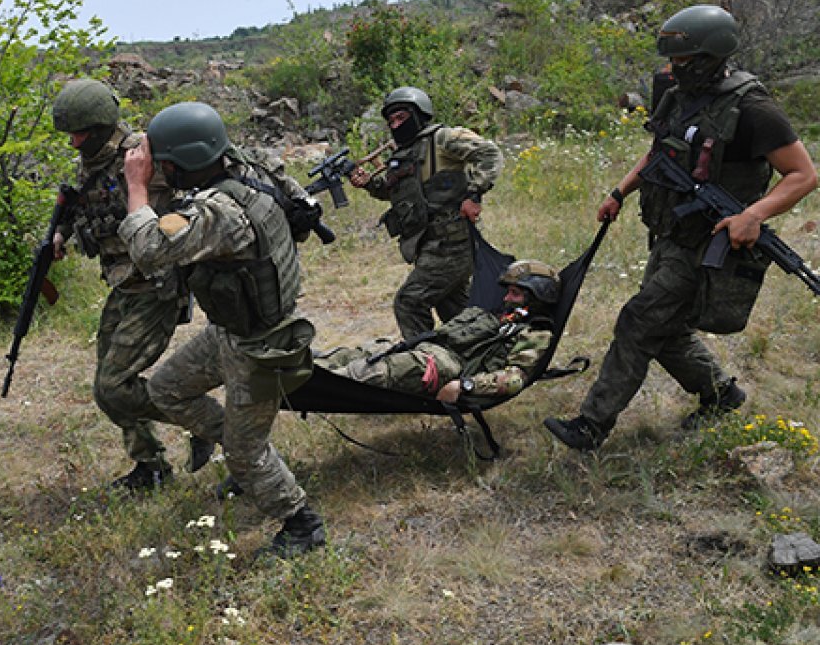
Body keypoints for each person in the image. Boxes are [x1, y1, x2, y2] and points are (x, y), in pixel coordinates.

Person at [544, 5, 818, 451]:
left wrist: (753, 215)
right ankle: (720, 395)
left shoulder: (753, 107)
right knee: (663, 327)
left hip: (711, 241)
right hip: (672, 232)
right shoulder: (677, 94)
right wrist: (620, 191)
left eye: (684, 61)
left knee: (638, 321)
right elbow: (659, 154)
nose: (674, 69)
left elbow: (804, 175)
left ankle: (592, 425)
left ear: (713, 56)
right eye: (673, 60)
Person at [119, 101, 326, 558]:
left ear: (181, 164)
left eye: (165, 166)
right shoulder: (250, 169)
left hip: (260, 347)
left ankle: (301, 524)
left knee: (244, 452)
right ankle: (244, 453)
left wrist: (136, 186)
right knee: (168, 389)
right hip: (232, 333)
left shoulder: (217, 213)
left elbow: (149, 248)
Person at [50, 79, 212, 491]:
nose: (73, 143)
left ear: (101, 127)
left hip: (156, 285)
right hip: (124, 285)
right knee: (108, 388)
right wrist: (61, 233)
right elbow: (86, 201)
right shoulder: (94, 161)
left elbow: (195, 191)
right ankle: (150, 465)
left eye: (79, 135)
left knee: (113, 386)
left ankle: (209, 421)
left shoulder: (143, 153)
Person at [349, 86, 504, 339]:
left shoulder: (442, 139)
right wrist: (368, 183)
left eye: (402, 117)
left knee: (409, 302)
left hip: (452, 243)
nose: (396, 125)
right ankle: (480, 352)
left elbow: (490, 153)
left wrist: (474, 194)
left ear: (419, 114)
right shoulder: (405, 153)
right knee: (455, 311)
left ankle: (423, 363)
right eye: (391, 121)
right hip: (426, 244)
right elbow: (398, 193)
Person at [317, 260, 560, 403]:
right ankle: (300, 366)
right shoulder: (504, 316)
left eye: (515, 293)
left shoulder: (536, 333)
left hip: (444, 365)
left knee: (368, 371)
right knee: (354, 354)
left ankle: (309, 384)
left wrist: (465, 386)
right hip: (426, 348)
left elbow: (515, 378)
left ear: (537, 297)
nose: (506, 298)